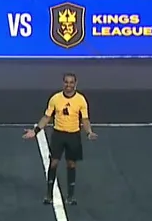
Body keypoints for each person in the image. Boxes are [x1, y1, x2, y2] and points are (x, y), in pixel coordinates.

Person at [23, 73, 97, 205]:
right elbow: (47, 117)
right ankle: (49, 195)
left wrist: (89, 132)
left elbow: (85, 119)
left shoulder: (80, 100)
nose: (69, 85)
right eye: (66, 82)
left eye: (71, 82)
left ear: (75, 84)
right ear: (63, 83)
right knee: (53, 163)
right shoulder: (55, 99)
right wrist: (35, 131)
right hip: (58, 135)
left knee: (71, 164)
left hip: (73, 135)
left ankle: (70, 196)